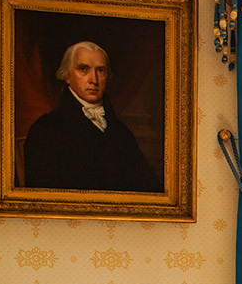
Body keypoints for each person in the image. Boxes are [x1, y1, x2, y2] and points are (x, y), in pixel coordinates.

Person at [22, 41, 163, 192]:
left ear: (107, 77)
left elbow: (147, 184)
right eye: (83, 69)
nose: (94, 80)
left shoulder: (122, 132)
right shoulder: (45, 129)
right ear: (67, 76)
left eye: (100, 71)